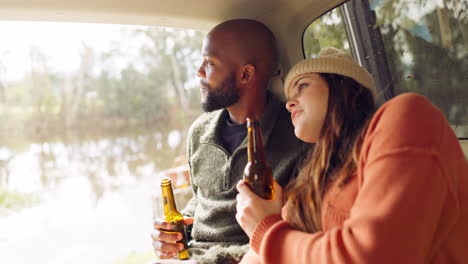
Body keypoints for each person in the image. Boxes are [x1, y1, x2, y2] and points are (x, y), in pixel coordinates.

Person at [236, 47, 468, 264]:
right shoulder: (311, 183)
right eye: (289, 95)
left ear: (341, 86)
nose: (289, 104)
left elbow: (374, 255)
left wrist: (265, 230)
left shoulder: (408, 117)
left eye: (302, 86)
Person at [151, 19, 309, 263]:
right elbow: (201, 198)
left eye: (210, 63)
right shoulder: (199, 132)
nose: (199, 72)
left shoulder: (298, 136)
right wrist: (179, 228)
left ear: (246, 73)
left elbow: (298, 227)